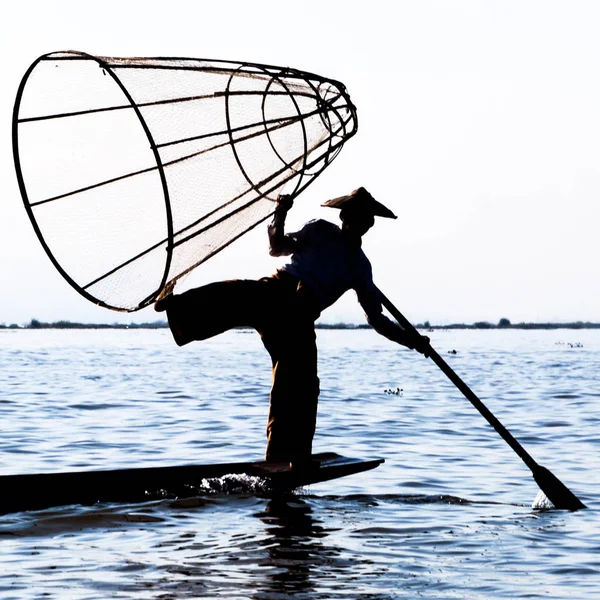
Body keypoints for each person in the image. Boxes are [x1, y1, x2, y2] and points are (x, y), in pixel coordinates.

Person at [155, 187, 430, 467]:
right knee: (232, 294)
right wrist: (280, 214)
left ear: (368, 225)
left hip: (299, 320)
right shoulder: (320, 230)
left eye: (362, 220)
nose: (354, 223)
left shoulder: (360, 267)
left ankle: (285, 460)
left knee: (301, 390)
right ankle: (177, 311)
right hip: (277, 292)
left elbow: (377, 319)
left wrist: (412, 340)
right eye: (350, 217)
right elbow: (278, 247)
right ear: (343, 216)